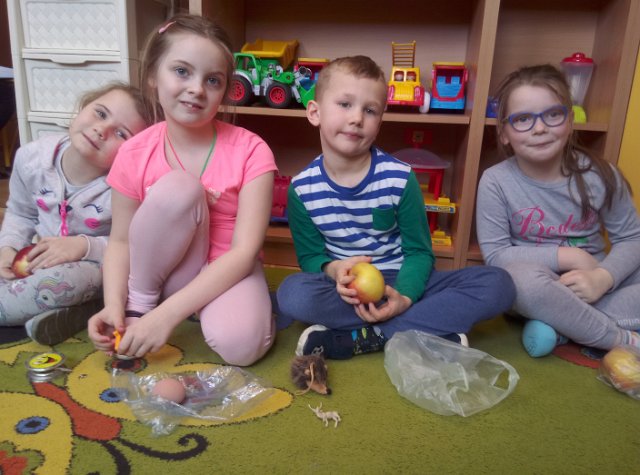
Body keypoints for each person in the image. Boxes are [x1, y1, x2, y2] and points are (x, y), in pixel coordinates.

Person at [276, 56, 515, 360]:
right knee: (292, 294)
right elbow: (311, 258)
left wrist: (404, 296)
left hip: (402, 280)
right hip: (346, 290)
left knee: (498, 284)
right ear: (315, 112)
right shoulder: (301, 189)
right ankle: (425, 329)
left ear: (379, 122)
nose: (357, 118)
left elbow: (419, 252)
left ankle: (365, 337)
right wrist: (334, 270)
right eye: (345, 104)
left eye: (370, 110)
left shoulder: (400, 178)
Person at [87, 14, 278, 366]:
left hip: (226, 270)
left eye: (213, 80)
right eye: (181, 71)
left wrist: (166, 316)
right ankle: (140, 305)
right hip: (163, 275)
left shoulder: (253, 150)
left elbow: (244, 252)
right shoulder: (133, 152)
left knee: (243, 347)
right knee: (179, 188)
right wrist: (114, 304)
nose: (197, 89)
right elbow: (121, 240)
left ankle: (183, 308)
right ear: (152, 76)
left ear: (225, 90)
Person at [476, 64, 640, 357]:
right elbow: (497, 256)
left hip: (596, 284)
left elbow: (631, 239)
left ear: (570, 121)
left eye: (552, 114)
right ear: (504, 133)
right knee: (517, 281)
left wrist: (602, 278)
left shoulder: (601, 175)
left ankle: (563, 327)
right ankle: (618, 338)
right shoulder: (495, 181)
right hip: (536, 289)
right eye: (523, 119)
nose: (540, 128)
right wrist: (571, 256)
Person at [0, 82, 150, 344]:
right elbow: (21, 213)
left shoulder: (125, 188)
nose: (101, 130)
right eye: (100, 113)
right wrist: (8, 248)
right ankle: (66, 313)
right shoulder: (31, 158)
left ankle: (82, 306)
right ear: (83, 107)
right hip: (38, 258)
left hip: (95, 269)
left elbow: (133, 245)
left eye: (121, 134)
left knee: (61, 282)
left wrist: (83, 246)